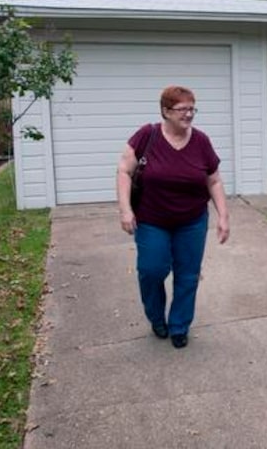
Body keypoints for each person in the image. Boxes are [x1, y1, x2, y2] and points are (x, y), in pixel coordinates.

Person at [116, 85, 230, 349]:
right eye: (182, 109)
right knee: (151, 270)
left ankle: (179, 325)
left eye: (192, 108)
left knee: (188, 275)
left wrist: (223, 215)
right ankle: (156, 317)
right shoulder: (147, 135)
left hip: (191, 221)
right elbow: (124, 171)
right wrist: (125, 209)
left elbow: (213, 180)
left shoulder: (201, 140)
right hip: (152, 220)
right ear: (165, 111)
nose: (189, 114)